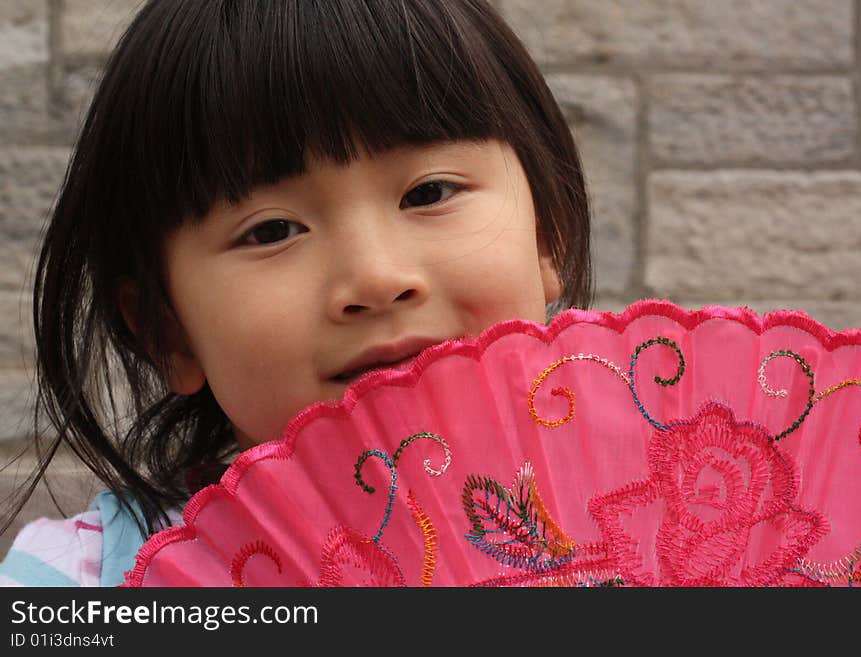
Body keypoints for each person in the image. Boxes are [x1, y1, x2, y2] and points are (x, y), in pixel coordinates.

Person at [0, 0, 592, 586]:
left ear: (548, 236)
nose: (376, 279)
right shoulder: (74, 586)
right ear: (167, 330)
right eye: (272, 231)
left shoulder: (665, 510)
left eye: (430, 192)